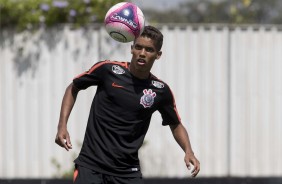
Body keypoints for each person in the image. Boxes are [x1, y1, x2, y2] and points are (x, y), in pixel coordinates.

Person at [55, 25, 200, 184]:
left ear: (158, 55)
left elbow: (176, 124)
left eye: (149, 50)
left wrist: (188, 151)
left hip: (127, 173)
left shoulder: (160, 91)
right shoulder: (107, 70)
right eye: (138, 47)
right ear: (132, 48)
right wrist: (62, 125)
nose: (142, 53)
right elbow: (74, 87)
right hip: (91, 166)